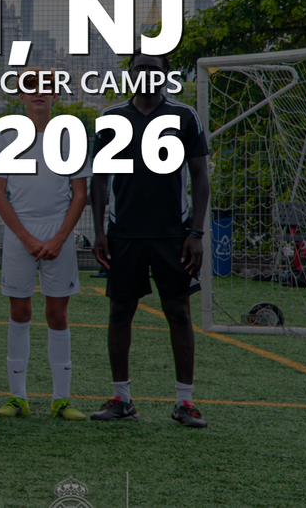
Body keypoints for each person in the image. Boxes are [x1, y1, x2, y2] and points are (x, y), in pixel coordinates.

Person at [91, 52, 210, 428]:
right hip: (123, 232)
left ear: (166, 76)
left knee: (178, 312)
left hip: (173, 234)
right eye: (140, 68)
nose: (147, 74)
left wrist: (195, 232)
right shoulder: (111, 117)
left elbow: (201, 177)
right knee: (120, 311)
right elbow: (99, 179)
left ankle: (185, 402)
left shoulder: (184, 116)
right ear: (130, 74)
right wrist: (97, 232)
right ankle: (122, 398)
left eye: (154, 69)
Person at [0, 69, 89, 421]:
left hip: (58, 235)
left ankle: (61, 399)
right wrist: (26, 237)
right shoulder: (7, 135)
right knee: (19, 313)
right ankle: (18, 398)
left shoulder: (69, 136)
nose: (39, 94)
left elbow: (80, 193)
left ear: (55, 94)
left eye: (45, 88)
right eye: (31, 89)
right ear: (21, 97)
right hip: (20, 235)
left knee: (57, 315)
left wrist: (60, 237)